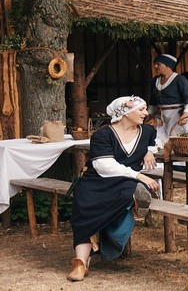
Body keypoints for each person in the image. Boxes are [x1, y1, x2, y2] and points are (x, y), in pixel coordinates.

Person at [67, 95, 160, 282]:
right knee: (84, 202)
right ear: (125, 112)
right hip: (97, 180)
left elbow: (155, 144)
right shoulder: (103, 135)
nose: (145, 113)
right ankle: (80, 263)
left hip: (123, 182)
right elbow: (104, 166)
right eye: (140, 109)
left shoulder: (148, 131)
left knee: (126, 190)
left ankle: (133, 201)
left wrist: (149, 150)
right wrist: (139, 175)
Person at [147, 54, 188, 174]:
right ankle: (166, 167)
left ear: (168, 65)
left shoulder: (180, 80)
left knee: (181, 140)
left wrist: (186, 114)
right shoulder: (155, 81)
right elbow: (153, 101)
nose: (156, 66)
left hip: (177, 114)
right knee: (160, 139)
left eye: (159, 64)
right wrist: (148, 115)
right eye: (155, 64)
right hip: (161, 116)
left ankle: (187, 169)